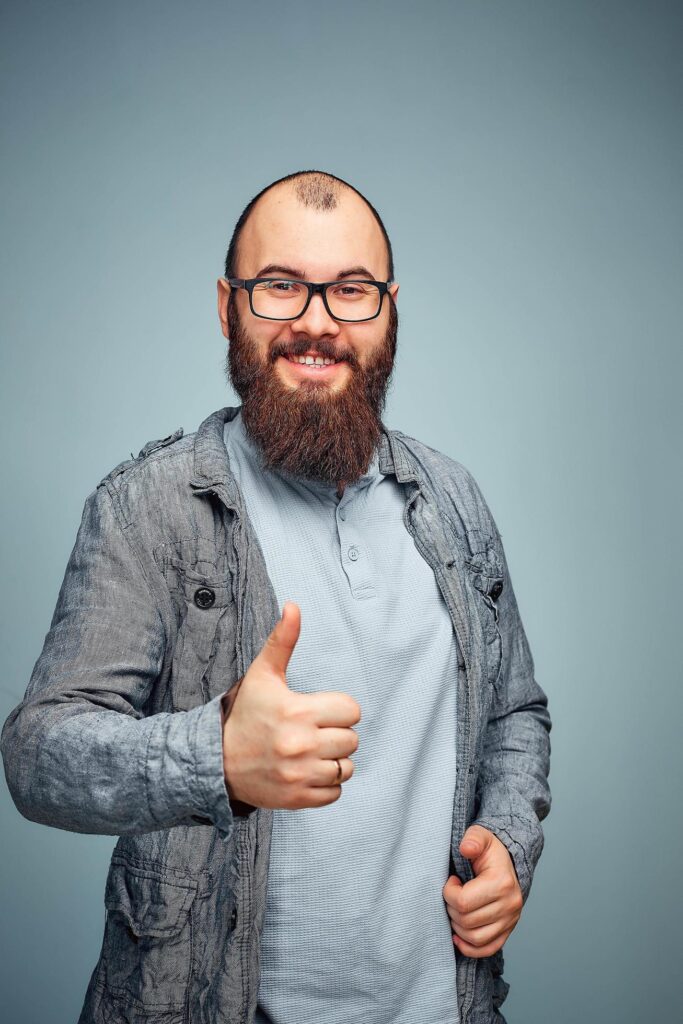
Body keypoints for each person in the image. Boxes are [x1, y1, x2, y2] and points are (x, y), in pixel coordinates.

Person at [0, 169, 552, 1024]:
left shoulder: (453, 502)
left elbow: (515, 711)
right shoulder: (149, 507)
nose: (317, 320)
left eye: (351, 290)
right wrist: (214, 757)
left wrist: (509, 843)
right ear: (228, 307)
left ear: (388, 311)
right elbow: (38, 757)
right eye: (280, 286)